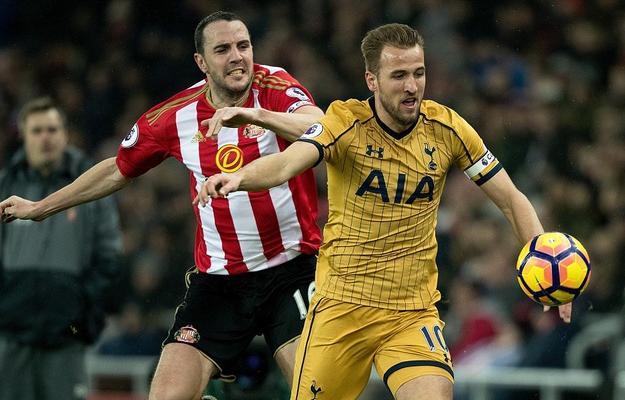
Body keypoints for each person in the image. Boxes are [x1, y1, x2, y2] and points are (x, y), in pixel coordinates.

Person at [198, 23, 574, 399]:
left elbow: (510, 198)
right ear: (372, 80)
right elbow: (285, 164)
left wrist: (548, 264)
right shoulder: (344, 123)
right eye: (399, 75)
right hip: (340, 310)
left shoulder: (448, 129)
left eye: (418, 73)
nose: (412, 86)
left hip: (411, 314)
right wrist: (238, 177)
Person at [0, 11, 324, 400]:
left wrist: (256, 115)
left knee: (318, 392)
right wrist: (42, 207)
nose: (237, 57)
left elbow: (318, 124)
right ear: (201, 62)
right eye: (222, 49)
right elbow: (118, 169)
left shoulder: (275, 84)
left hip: (293, 271)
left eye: (243, 46)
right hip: (220, 282)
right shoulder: (174, 116)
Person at [0, 96, 122, 400]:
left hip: (65, 337)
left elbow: (109, 254)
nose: (45, 137)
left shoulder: (91, 186)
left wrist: (80, 307)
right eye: (37, 130)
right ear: (22, 134)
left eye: (52, 129)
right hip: (7, 335)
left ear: (65, 133)